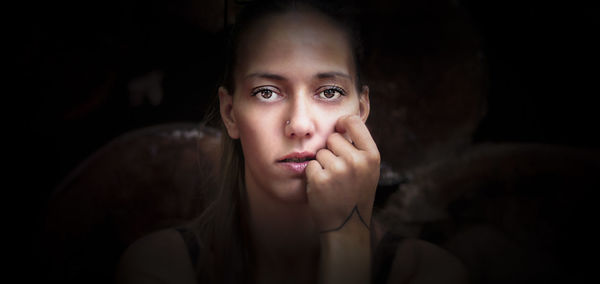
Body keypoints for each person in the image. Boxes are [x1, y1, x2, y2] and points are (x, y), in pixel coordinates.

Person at [116, 1, 467, 283]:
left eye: (329, 91)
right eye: (267, 92)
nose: (299, 124)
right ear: (230, 113)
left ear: (362, 109)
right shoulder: (161, 267)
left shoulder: (430, 273)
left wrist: (348, 237)